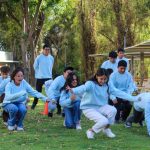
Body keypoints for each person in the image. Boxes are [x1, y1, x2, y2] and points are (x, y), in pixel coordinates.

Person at [67, 68, 138, 139]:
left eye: (105, 79)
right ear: (96, 76)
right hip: (88, 108)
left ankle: (106, 129)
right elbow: (83, 88)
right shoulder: (90, 84)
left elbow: (118, 92)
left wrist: (134, 98)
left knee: (113, 110)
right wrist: (73, 90)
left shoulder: (108, 85)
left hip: (101, 106)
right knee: (104, 120)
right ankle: (91, 131)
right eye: (101, 79)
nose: (103, 81)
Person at [31, 44, 54, 109]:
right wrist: (39, 73)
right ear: (43, 50)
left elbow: (51, 67)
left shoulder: (51, 58)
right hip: (40, 78)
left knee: (51, 92)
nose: (47, 51)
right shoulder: (39, 57)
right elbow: (35, 66)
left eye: (48, 49)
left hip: (48, 77)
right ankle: (34, 104)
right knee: (38, 92)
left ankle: (53, 106)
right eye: (46, 49)